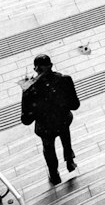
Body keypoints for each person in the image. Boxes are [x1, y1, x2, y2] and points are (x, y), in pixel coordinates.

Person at [20, 54, 80, 185]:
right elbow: (75, 105)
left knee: (48, 149)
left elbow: (26, 119)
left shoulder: (30, 88)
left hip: (45, 127)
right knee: (66, 137)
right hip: (63, 120)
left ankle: (54, 174)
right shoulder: (65, 80)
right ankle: (70, 162)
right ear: (51, 66)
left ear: (35, 69)